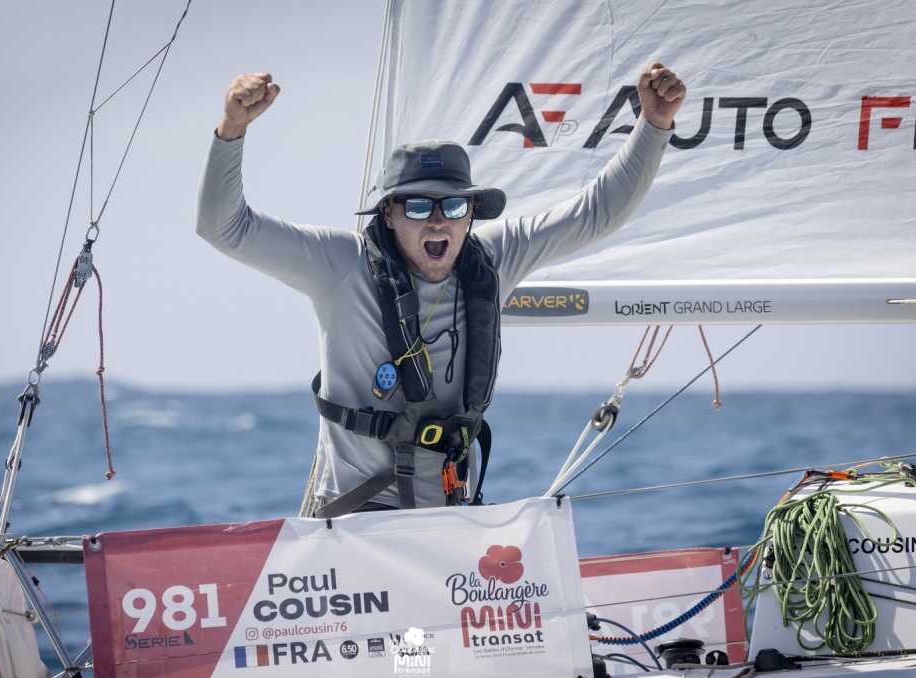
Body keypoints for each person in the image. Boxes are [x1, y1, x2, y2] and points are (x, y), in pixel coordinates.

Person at [196, 63, 685, 517]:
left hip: (451, 517)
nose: (437, 221)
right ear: (388, 214)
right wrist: (232, 129)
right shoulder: (341, 264)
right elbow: (225, 228)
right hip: (356, 521)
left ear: (470, 214)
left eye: (453, 207)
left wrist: (654, 125)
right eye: (417, 207)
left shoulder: (494, 257)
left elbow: (597, 212)